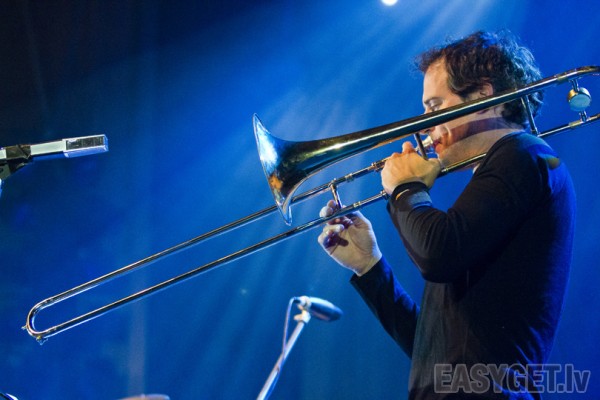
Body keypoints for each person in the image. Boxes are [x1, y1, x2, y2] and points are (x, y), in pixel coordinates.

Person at [318, 30, 575, 399]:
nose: (424, 125)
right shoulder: (502, 175)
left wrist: (406, 189)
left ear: (483, 98)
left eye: (435, 107)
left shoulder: (524, 155)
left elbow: (437, 254)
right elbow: (437, 357)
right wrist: (370, 267)